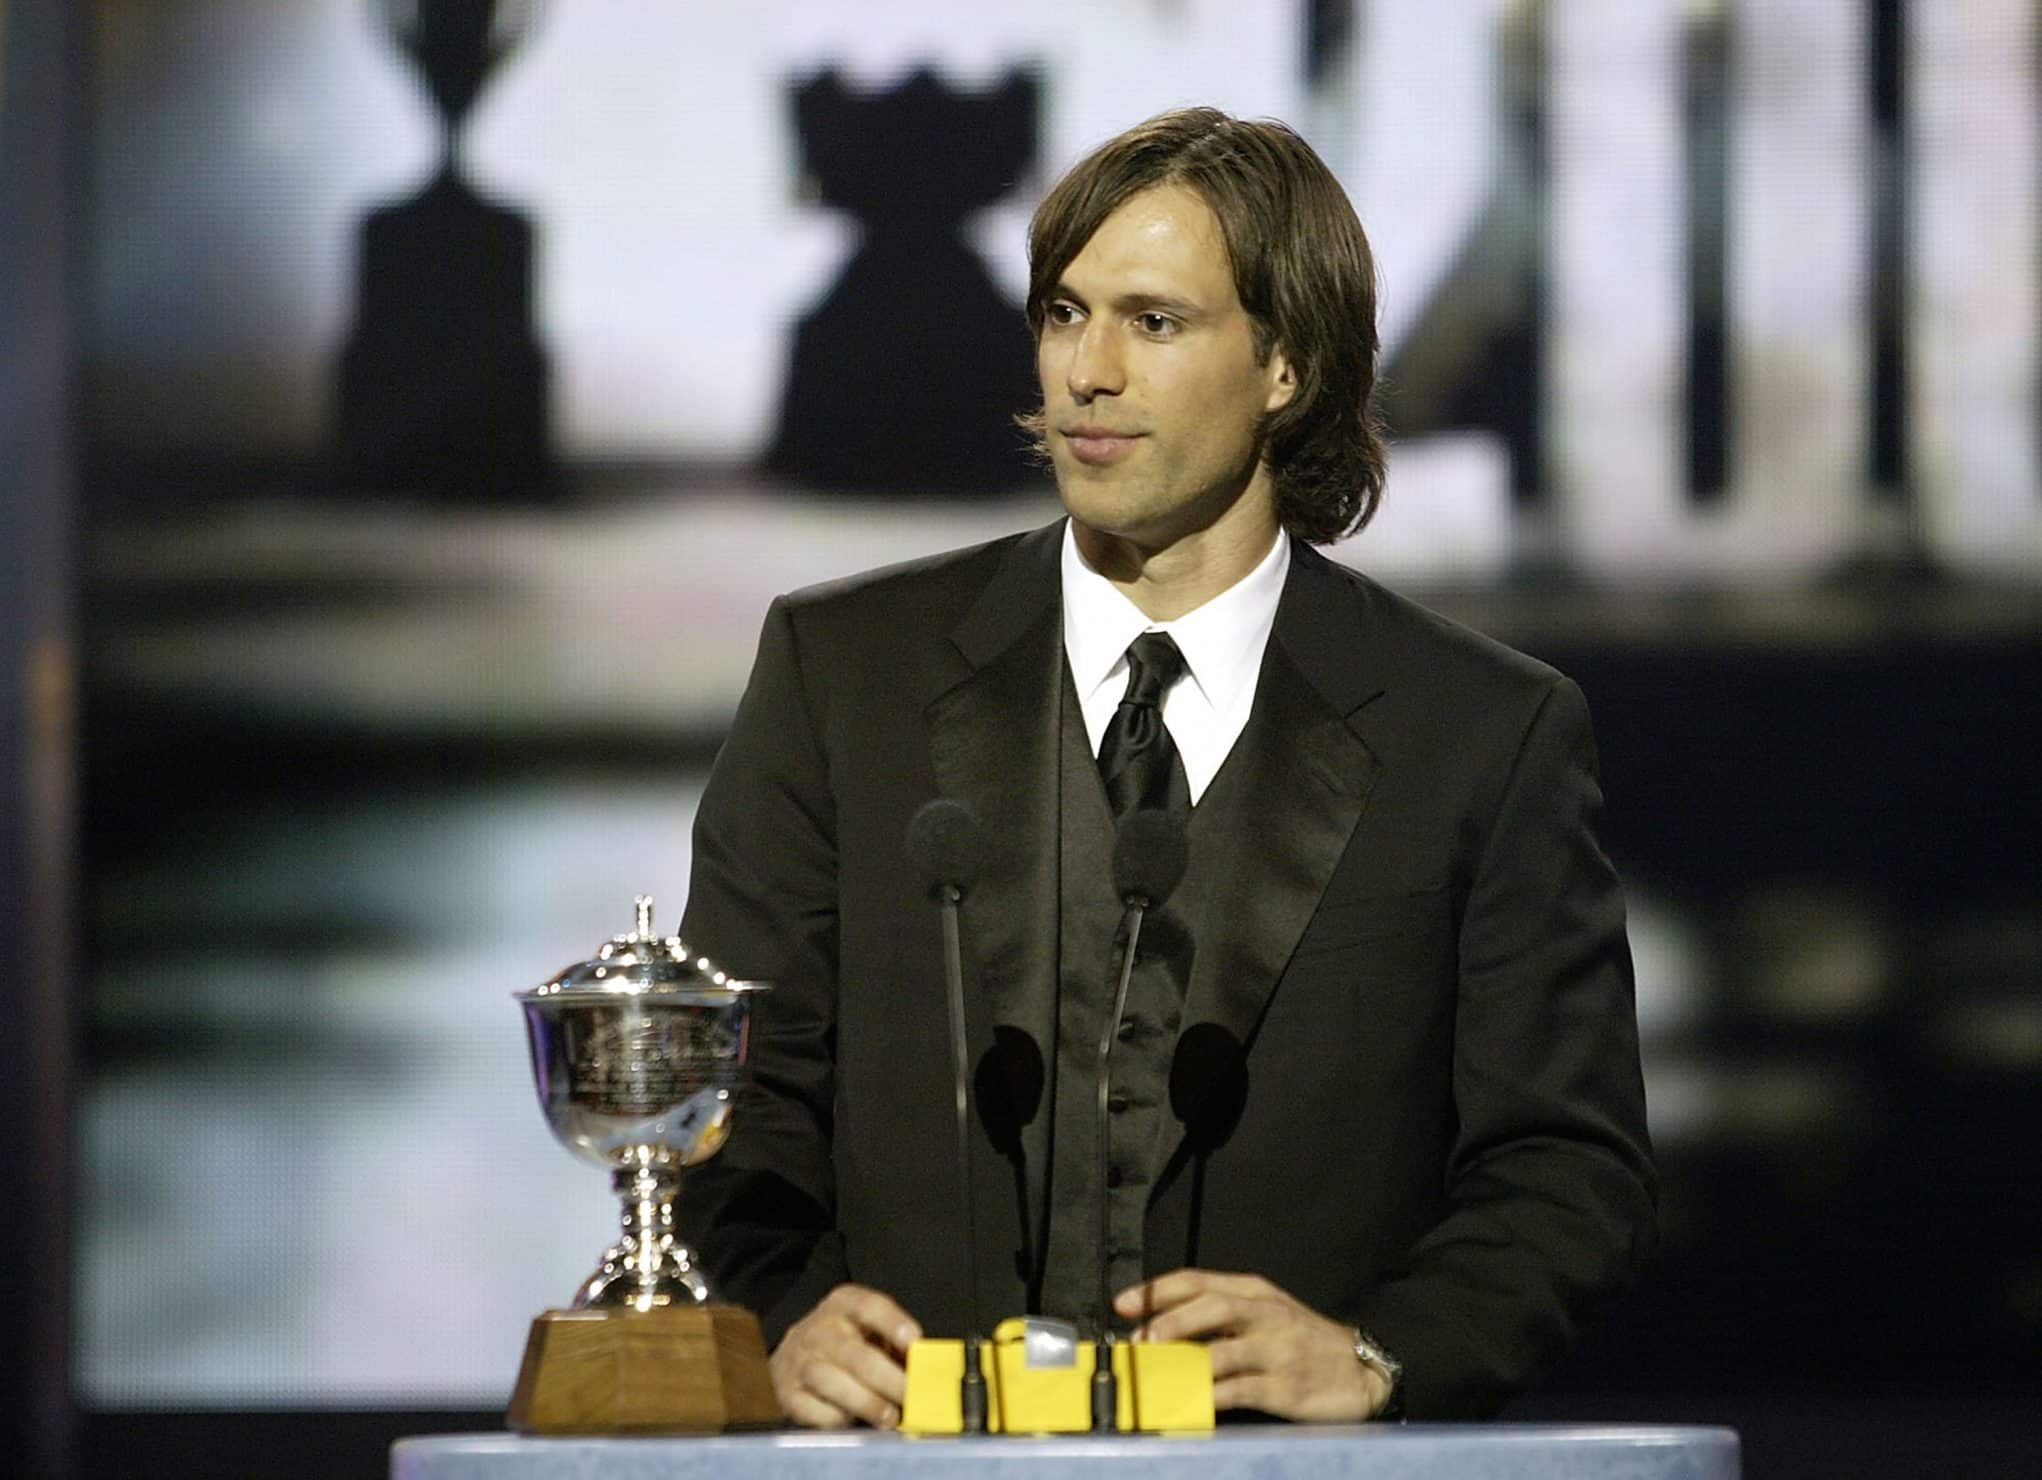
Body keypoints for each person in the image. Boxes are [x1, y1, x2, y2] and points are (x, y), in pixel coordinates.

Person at [677, 107, 1655, 1429]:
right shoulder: (841, 673)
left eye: (1152, 322)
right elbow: (735, 1101)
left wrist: (1376, 1355)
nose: (1085, 372)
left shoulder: (1480, 731)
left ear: (1284, 368)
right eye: (1064, 313)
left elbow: (1561, 1171)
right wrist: (783, 1321)